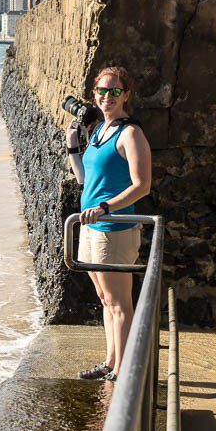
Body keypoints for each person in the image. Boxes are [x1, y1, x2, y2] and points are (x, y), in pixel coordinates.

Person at [65, 66, 152, 382]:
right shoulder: (100, 131)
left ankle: (123, 370)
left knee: (119, 303)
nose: (107, 96)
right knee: (105, 300)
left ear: (126, 94)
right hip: (88, 227)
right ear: (94, 94)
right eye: (102, 91)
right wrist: (74, 147)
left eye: (115, 91)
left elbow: (141, 185)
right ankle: (110, 363)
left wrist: (105, 207)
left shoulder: (130, 134)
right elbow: (85, 180)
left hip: (113, 229)